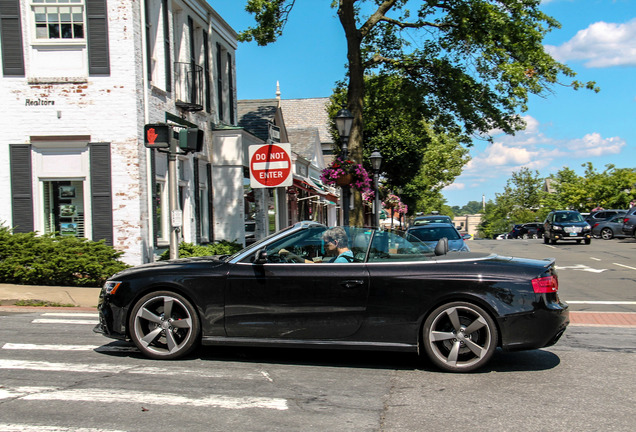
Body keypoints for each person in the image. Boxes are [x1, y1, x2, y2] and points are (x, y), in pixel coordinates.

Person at [279, 226, 353, 263]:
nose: (324, 247)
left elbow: (323, 273)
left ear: (336, 242)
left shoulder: (341, 261)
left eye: (326, 243)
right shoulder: (340, 257)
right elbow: (320, 267)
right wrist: (295, 256)